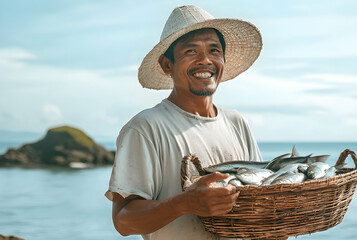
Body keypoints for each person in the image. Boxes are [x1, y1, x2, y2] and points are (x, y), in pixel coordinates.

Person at [105, 5, 263, 240]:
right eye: (191, 51)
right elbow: (123, 221)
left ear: (223, 60)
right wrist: (185, 203)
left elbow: (260, 201)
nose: (205, 60)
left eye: (214, 50)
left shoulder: (237, 123)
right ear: (167, 65)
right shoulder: (145, 128)